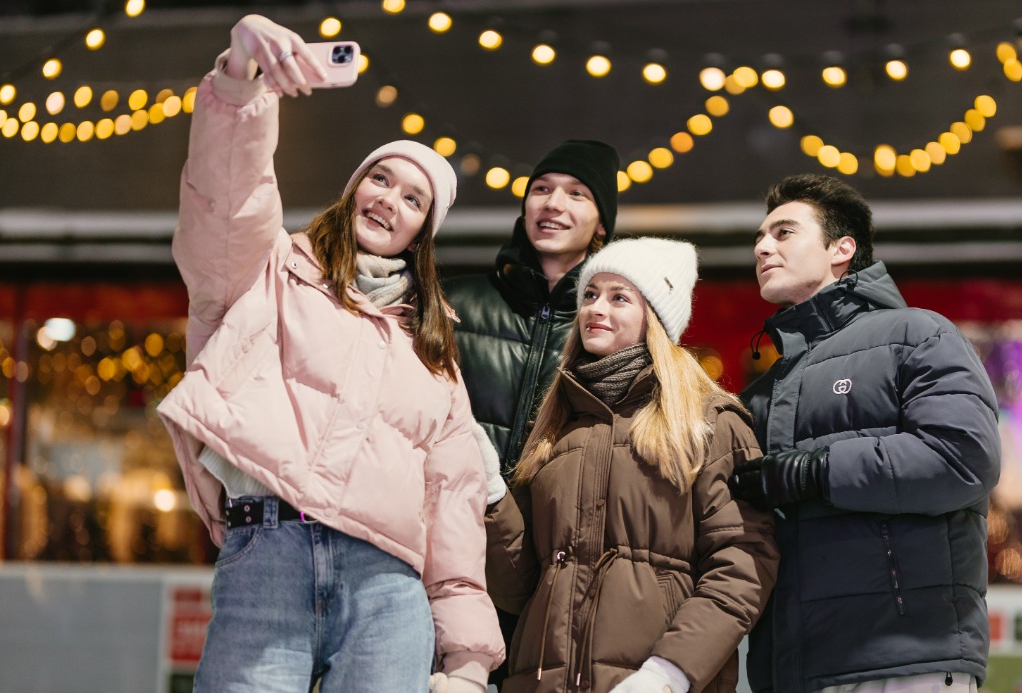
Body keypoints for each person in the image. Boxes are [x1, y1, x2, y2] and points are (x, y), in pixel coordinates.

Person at [155, 15, 503, 692]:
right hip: (268, 555)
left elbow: (454, 504)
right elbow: (228, 200)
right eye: (381, 179)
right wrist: (240, 77)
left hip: (388, 588)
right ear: (354, 189)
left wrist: (467, 661)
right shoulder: (268, 270)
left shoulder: (433, 351)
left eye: (413, 199)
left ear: (421, 233)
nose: (390, 200)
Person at [728, 174, 1001, 693]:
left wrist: (815, 472)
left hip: (904, 659)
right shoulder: (763, 392)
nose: (762, 247)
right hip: (793, 668)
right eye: (759, 238)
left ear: (842, 249)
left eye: (784, 232)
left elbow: (963, 459)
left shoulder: (917, 335)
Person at [483, 237, 780, 693]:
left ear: (654, 318)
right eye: (590, 294)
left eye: (619, 297)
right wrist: (490, 494)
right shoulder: (554, 429)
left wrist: (669, 672)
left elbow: (742, 563)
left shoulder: (709, 422)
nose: (595, 308)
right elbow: (519, 589)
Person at [442, 138, 620, 686]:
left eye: (577, 193)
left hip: (551, 573)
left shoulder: (609, 328)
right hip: (447, 559)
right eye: (541, 189)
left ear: (602, 225)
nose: (553, 203)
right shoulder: (454, 304)